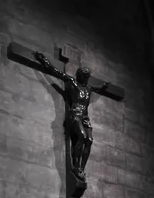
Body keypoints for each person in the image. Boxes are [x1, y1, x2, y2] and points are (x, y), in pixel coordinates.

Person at [33, 51, 109, 181]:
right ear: (79, 76)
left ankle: (81, 169)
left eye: (86, 77)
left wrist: (104, 86)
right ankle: (76, 167)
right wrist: (43, 60)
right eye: (83, 76)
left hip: (85, 117)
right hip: (75, 115)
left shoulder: (89, 88)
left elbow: (99, 89)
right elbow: (55, 72)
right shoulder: (73, 82)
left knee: (89, 141)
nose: (85, 78)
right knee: (82, 136)